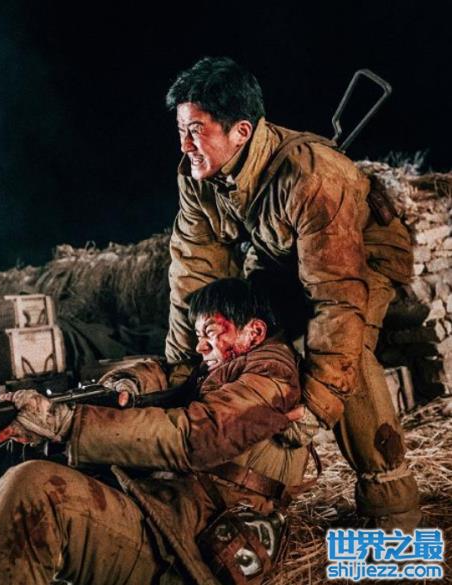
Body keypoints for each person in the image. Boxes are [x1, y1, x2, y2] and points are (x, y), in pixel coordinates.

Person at [163, 57, 420, 531]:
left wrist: (318, 403)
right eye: (181, 130)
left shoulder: (313, 176)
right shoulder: (198, 178)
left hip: (364, 257)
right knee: (256, 330)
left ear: (240, 131)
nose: (184, 145)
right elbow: (194, 272)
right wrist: (184, 365)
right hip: (283, 254)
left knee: (348, 352)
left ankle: (392, 502)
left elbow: (337, 300)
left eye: (195, 131)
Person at [0, 278, 312, 585]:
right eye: (198, 337)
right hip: (158, 505)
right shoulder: (218, 368)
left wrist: (65, 422)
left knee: (36, 489)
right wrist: (127, 385)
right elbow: (164, 373)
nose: (200, 347)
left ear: (254, 332)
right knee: (11, 458)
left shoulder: (272, 376)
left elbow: (194, 435)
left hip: (183, 544)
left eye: (210, 333)